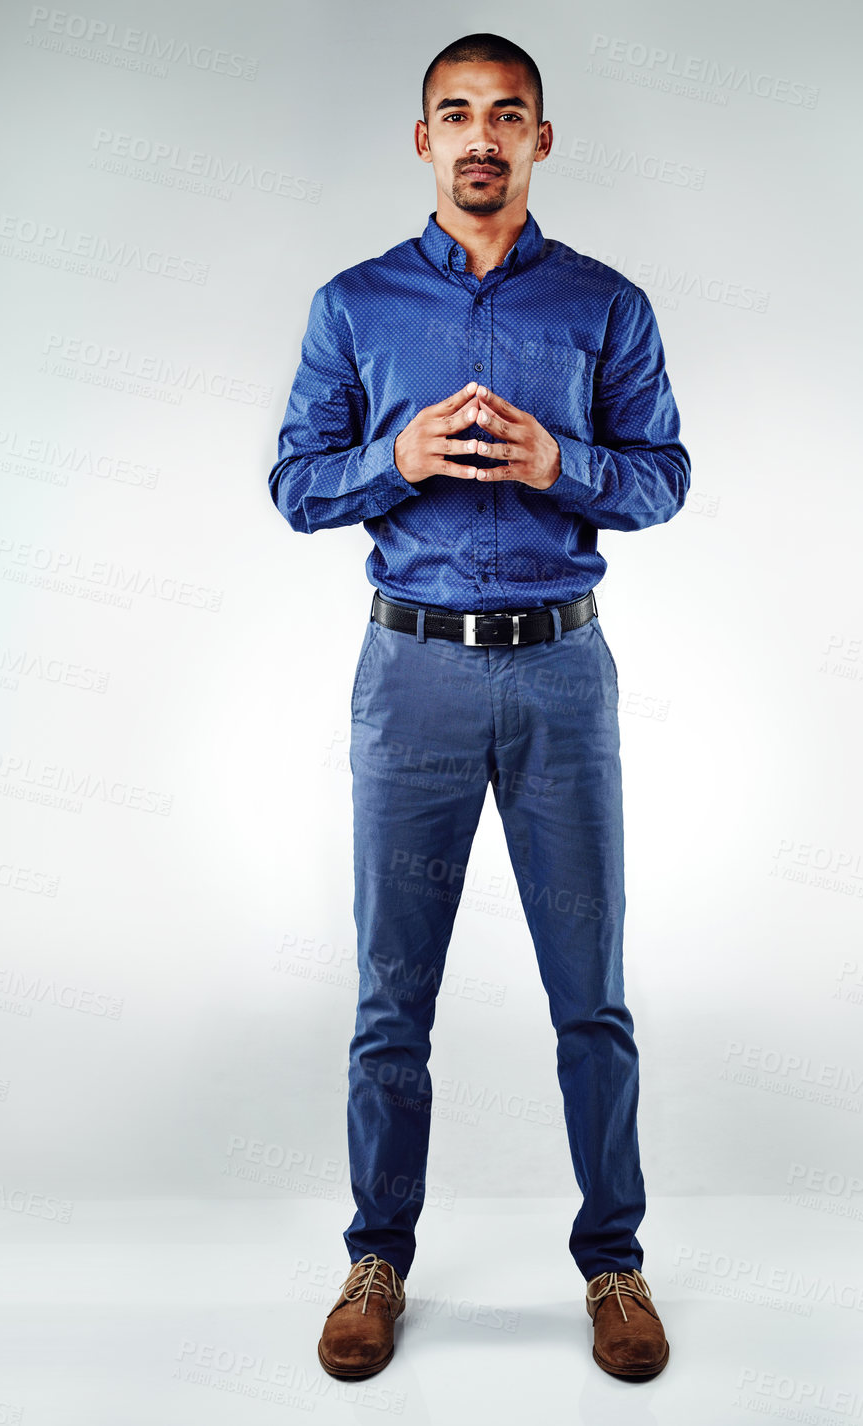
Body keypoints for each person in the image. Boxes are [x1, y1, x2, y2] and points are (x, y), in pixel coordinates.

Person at [268, 32, 690, 1383]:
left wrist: (562, 461)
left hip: (562, 672)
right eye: (454, 113)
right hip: (414, 679)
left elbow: (664, 474)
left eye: (507, 114)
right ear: (421, 140)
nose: (480, 137)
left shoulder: (603, 305)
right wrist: (385, 460)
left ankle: (612, 1264)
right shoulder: (352, 306)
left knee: (592, 997)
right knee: (392, 992)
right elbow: (292, 482)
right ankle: (375, 1256)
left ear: (541, 140)